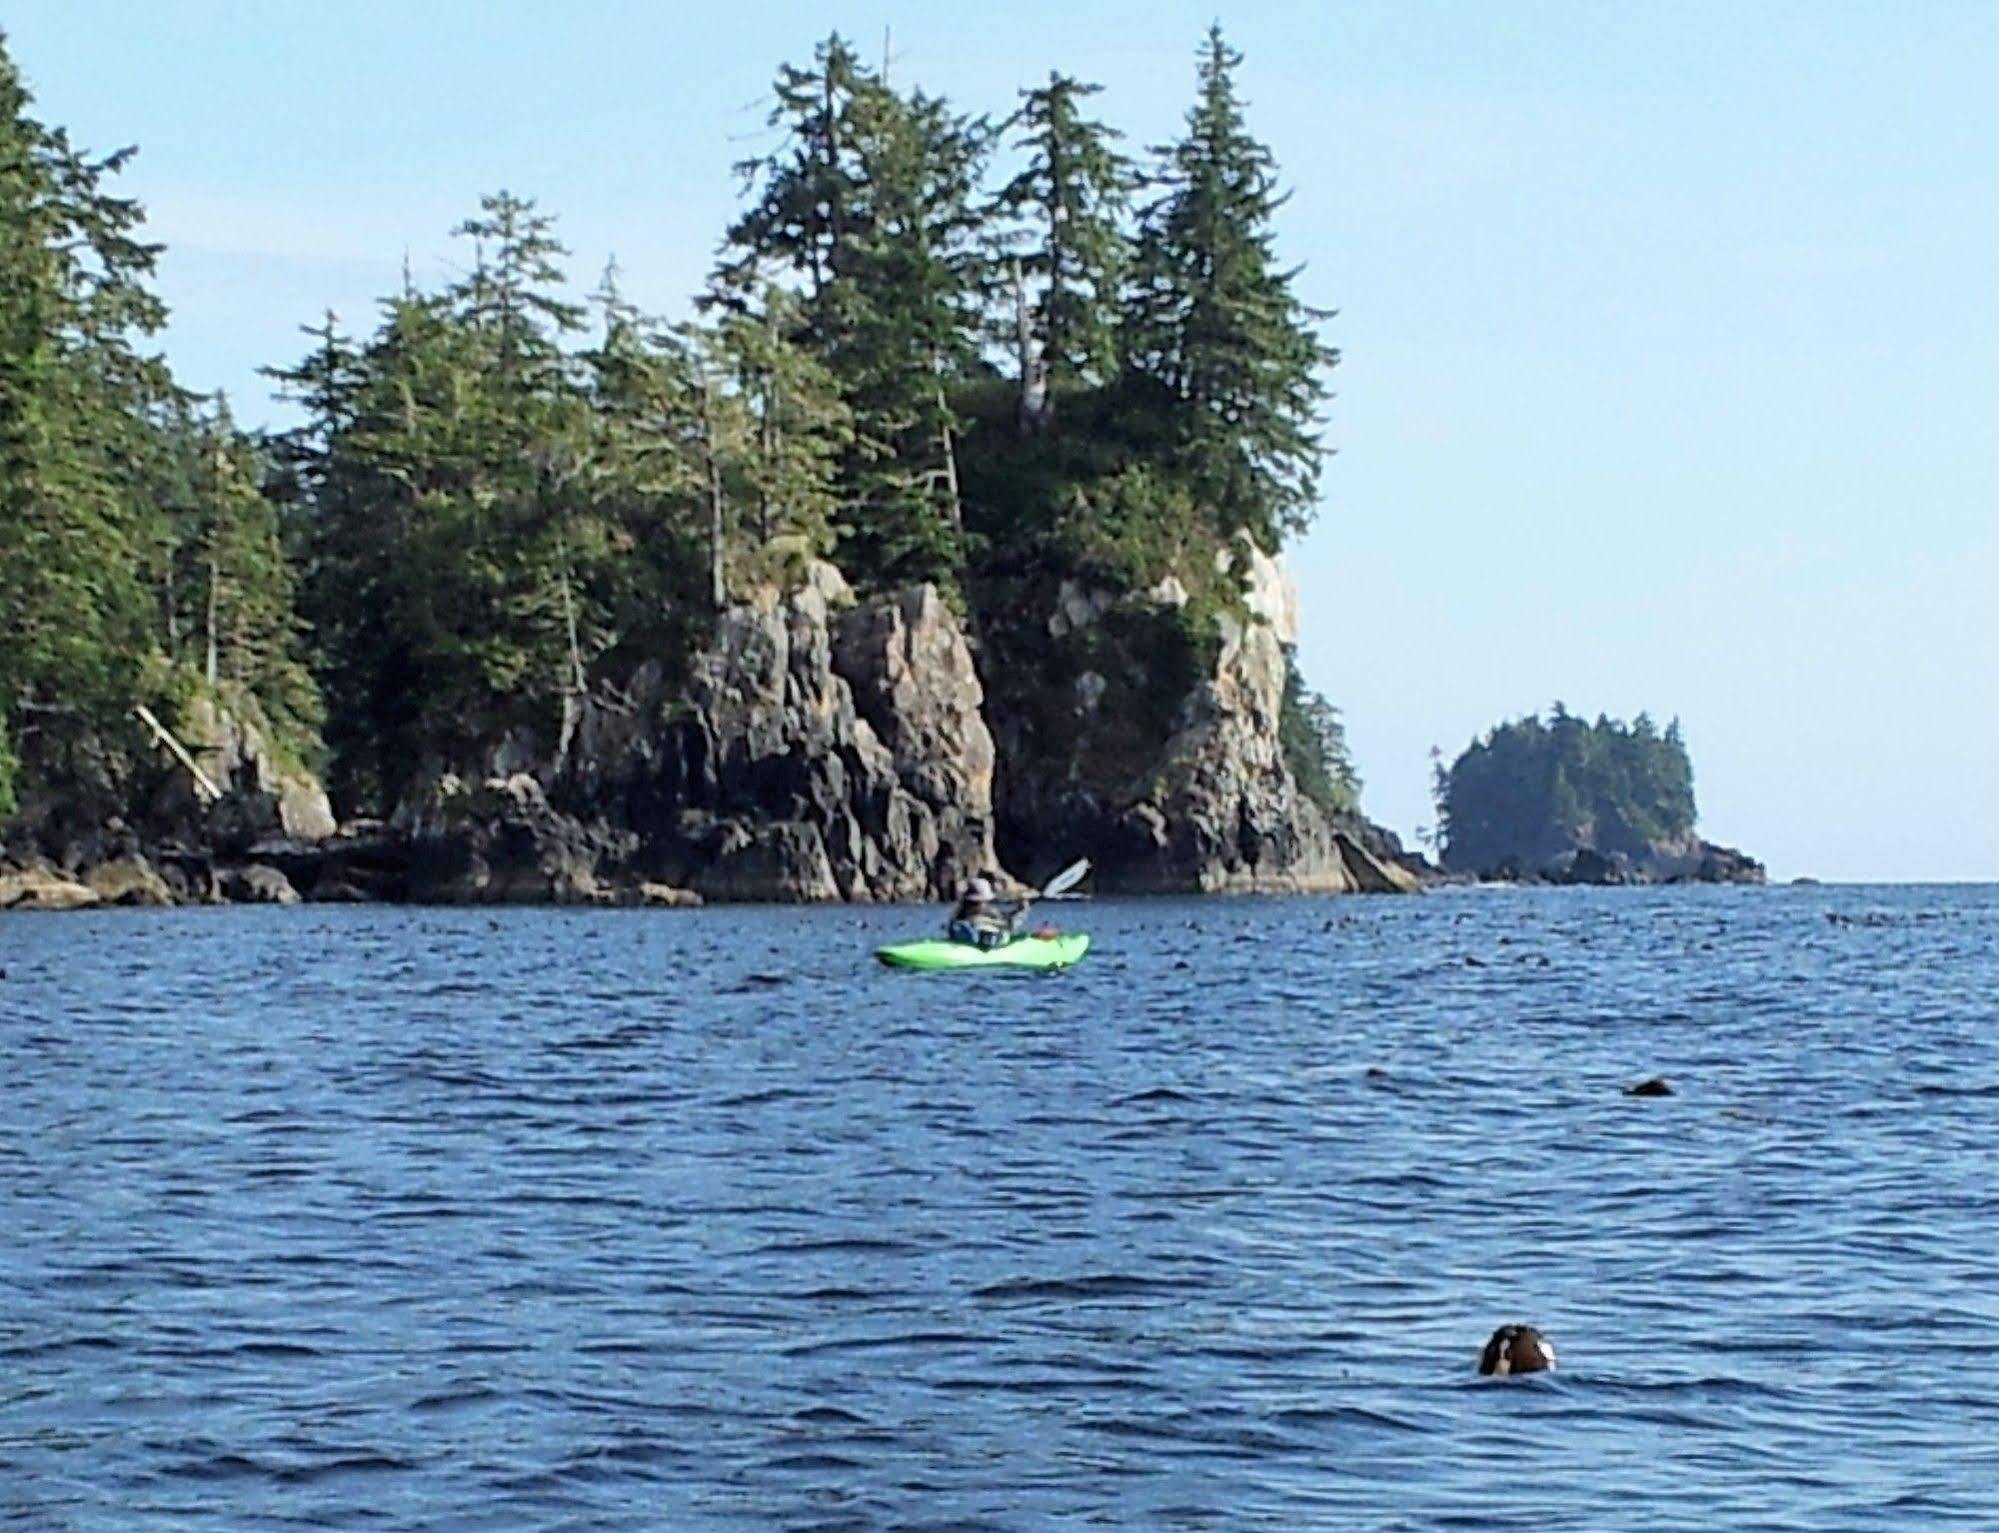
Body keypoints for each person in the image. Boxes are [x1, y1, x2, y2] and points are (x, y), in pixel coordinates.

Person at [947, 876, 1017, 949]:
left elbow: (1007, 922)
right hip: (966, 943)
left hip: (985, 942)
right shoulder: (960, 914)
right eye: (971, 903)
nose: (972, 906)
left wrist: (1017, 912)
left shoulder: (991, 913)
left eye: (975, 903)